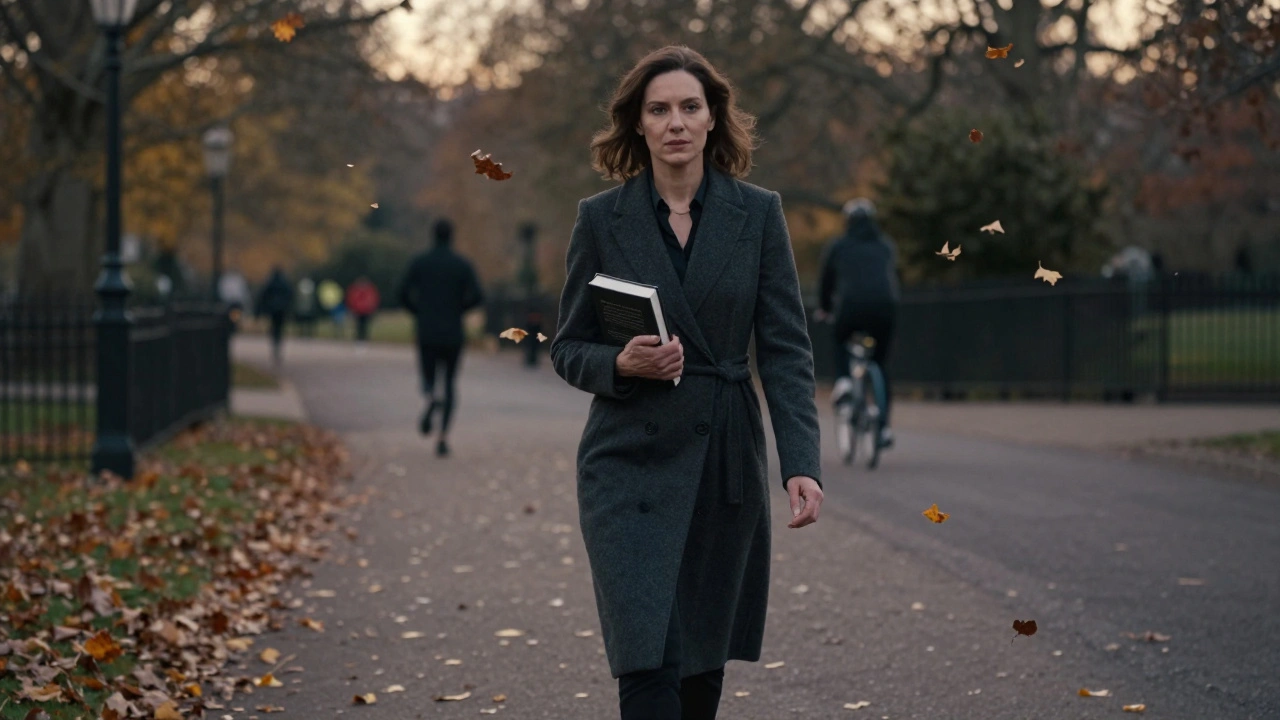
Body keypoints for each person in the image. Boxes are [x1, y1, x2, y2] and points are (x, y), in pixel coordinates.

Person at [548, 45, 824, 720]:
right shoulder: (600, 219)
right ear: (638, 125)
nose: (675, 122)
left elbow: (786, 349)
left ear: (712, 120)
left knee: (700, 665)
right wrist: (620, 364)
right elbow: (568, 347)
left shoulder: (757, 215)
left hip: (722, 459)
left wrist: (801, 463)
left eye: (689, 107)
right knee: (649, 658)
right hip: (626, 462)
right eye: (659, 109)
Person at [816, 198, 901, 447]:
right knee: (880, 364)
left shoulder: (839, 246)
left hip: (851, 308)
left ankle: (843, 380)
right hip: (885, 308)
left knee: (840, 339)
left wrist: (824, 308)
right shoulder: (885, 245)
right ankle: (883, 428)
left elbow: (826, 281)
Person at [396, 218, 484, 458]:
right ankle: (443, 437)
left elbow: (402, 293)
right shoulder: (462, 265)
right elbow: (477, 295)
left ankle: (430, 396)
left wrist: (419, 311)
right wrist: (459, 309)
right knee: (450, 382)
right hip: (453, 332)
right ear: (451, 236)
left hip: (427, 330)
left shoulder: (420, 263)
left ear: (432, 235)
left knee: (428, 375)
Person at [255, 266, 293, 367]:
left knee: (274, 328)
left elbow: (263, 295)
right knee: (279, 328)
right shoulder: (284, 283)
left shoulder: (271, 283)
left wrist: (262, 309)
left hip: (273, 309)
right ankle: (277, 343)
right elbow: (290, 294)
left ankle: (275, 343)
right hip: (281, 310)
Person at [345, 276, 380, 345]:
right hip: (358, 311)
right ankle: (358, 339)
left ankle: (364, 339)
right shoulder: (355, 290)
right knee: (358, 326)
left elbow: (373, 300)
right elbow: (351, 300)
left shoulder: (369, 290)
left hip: (366, 311)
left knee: (365, 326)